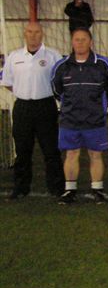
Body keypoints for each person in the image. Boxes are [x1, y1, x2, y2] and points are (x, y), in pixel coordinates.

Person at [51, 27, 108, 204]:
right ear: (72, 42)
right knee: (71, 154)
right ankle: (70, 190)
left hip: (95, 120)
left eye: (84, 39)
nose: (80, 43)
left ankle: (97, 189)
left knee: (95, 154)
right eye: (76, 39)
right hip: (69, 120)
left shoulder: (102, 64)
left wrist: (98, 107)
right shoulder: (61, 66)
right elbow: (57, 91)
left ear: (90, 42)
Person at [1, 22, 64, 199]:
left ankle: (57, 187)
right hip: (22, 108)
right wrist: (26, 93)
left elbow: (59, 82)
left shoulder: (53, 56)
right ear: (25, 34)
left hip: (46, 106)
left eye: (37, 32)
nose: (33, 35)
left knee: (51, 150)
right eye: (30, 32)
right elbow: (8, 83)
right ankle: (21, 188)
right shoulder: (14, 56)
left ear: (42, 34)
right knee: (22, 150)